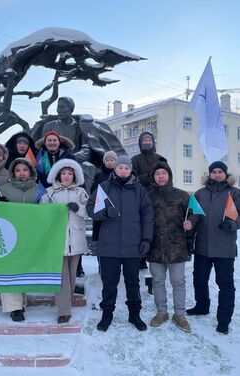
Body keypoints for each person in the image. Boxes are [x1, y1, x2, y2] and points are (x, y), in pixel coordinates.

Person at [86, 155, 154, 332]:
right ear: (114, 169)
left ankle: (134, 314)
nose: (123, 170)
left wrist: (146, 239)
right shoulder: (104, 187)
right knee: (109, 283)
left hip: (133, 246)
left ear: (131, 169)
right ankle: (107, 314)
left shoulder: (139, 190)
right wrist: (106, 212)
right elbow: (90, 209)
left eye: (126, 167)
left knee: (133, 283)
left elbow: (148, 216)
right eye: (120, 167)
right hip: (109, 246)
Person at [186, 161, 240, 335]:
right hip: (202, 247)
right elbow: (194, 216)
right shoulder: (200, 194)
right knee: (199, 280)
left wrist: (233, 224)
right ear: (209, 174)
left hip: (225, 248)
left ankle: (224, 320)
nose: (217, 174)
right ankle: (202, 306)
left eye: (220, 172)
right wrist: (190, 240)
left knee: (225, 284)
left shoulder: (235, 193)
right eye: (214, 172)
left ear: (225, 174)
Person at [146, 162, 195, 332]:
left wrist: (191, 222)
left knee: (178, 282)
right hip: (155, 246)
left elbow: (194, 214)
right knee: (158, 281)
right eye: (157, 173)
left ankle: (179, 314)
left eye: (164, 173)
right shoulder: (148, 196)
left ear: (169, 176)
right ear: (153, 177)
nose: (161, 176)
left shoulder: (182, 196)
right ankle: (162, 312)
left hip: (177, 246)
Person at [40, 159, 89, 323]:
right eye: (63, 173)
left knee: (72, 276)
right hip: (57, 241)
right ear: (58, 175)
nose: (67, 176)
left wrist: (79, 208)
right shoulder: (49, 193)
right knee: (61, 277)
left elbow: (89, 211)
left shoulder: (80, 192)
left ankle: (66, 304)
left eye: (70, 173)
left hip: (76, 241)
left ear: (74, 175)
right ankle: (63, 311)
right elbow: (41, 213)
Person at [0, 158, 38, 321]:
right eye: (18, 170)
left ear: (31, 172)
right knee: (10, 269)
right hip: (9, 235)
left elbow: (48, 207)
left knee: (23, 269)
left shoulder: (39, 190)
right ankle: (14, 307)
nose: (21, 173)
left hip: (31, 236)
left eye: (25, 170)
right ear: (13, 173)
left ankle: (21, 302)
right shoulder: (3, 189)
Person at [131, 131, 166, 270]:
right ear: (140, 143)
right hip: (142, 198)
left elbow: (167, 178)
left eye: (149, 140)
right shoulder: (135, 159)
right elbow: (134, 179)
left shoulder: (161, 159)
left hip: (159, 197)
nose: (147, 142)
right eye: (144, 140)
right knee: (142, 227)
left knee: (158, 226)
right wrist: (150, 175)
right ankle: (141, 257)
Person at [89, 151, 117, 243]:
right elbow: (93, 189)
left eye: (112, 160)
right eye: (107, 160)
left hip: (114, 206)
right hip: (101, 206)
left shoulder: (118, 175)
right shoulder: (99, 175)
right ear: (104, 162)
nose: (109, 162)